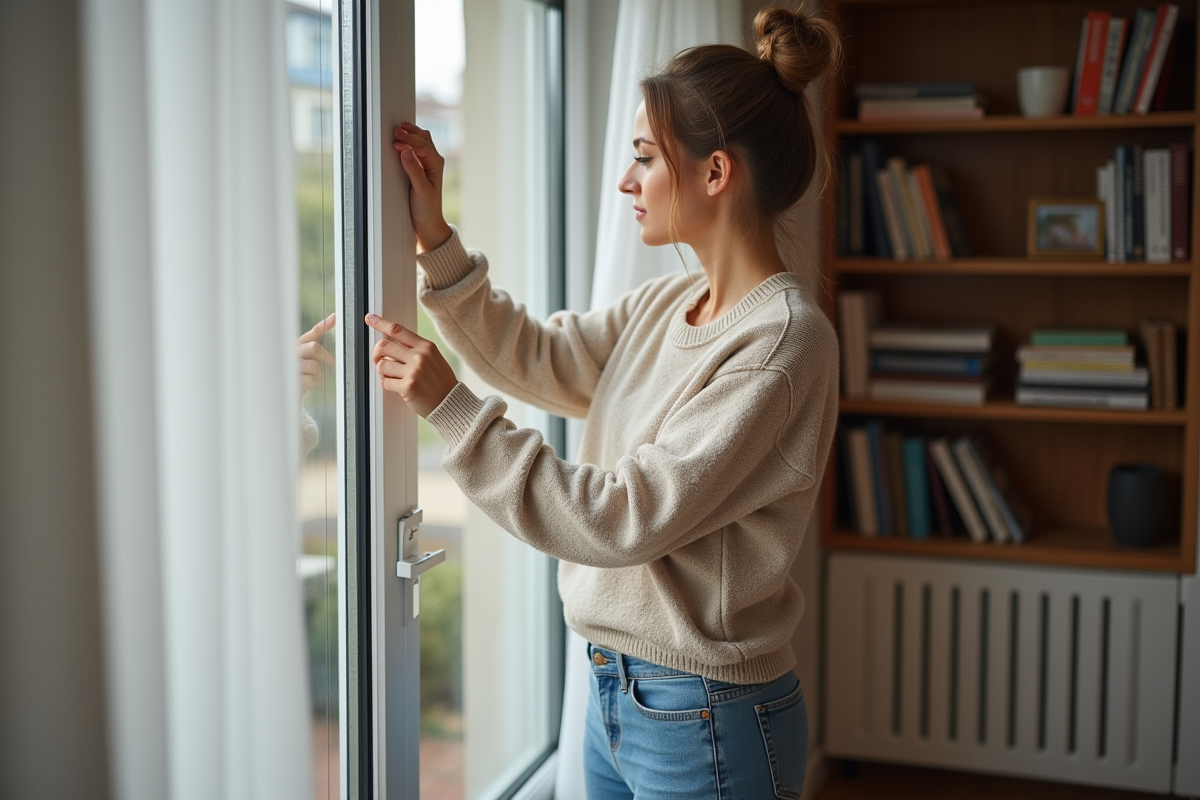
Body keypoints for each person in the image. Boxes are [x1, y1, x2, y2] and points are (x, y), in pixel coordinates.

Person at [365, 5, 841, 797]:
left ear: (715, 173)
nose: (627, 179)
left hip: (708, 718)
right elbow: (541, 357)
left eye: (646, 157)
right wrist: (434, 241)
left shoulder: (783, 344)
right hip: (613, 696)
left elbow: (623, 518)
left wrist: (451, 409)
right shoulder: (669, 304)